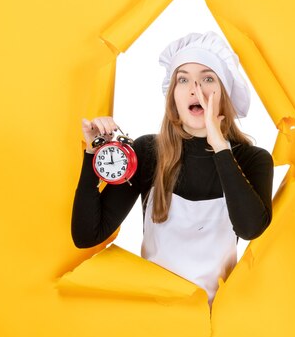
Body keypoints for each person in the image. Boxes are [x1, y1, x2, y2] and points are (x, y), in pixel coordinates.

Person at [71, 31, 274, 305]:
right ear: (173, 97)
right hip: (155, 318)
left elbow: (250, 229)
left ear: (223, 93)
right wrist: (91, 153)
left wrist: (219, 145)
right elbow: (86, 235)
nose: (195, 89)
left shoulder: (253, 160)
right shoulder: (147, 152)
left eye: (207, 78)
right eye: (183, 79)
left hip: (214, 324)